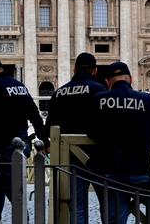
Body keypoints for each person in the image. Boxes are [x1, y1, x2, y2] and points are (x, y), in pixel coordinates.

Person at [0, 54, 48, 224]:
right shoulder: (20, 86)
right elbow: (35, 116)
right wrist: (45, 141)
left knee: (10, 189)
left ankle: (22, 220)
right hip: (23, 144)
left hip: (7, 147)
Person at [88, 61, 150, 224]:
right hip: (140, 172)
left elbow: (91, 132)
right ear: (130, 79)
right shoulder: (146, 99)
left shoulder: (100, 99)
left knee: (115, 218)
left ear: (108, 82)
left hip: (111, 173)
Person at [45, 53, 105, 224]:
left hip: (71, 158)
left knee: (77, 206)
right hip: (98, 157)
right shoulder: (100, 90)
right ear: (94, 71)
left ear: (75, 69)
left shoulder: (59, 93)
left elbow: (50, 126)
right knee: (107, 203)